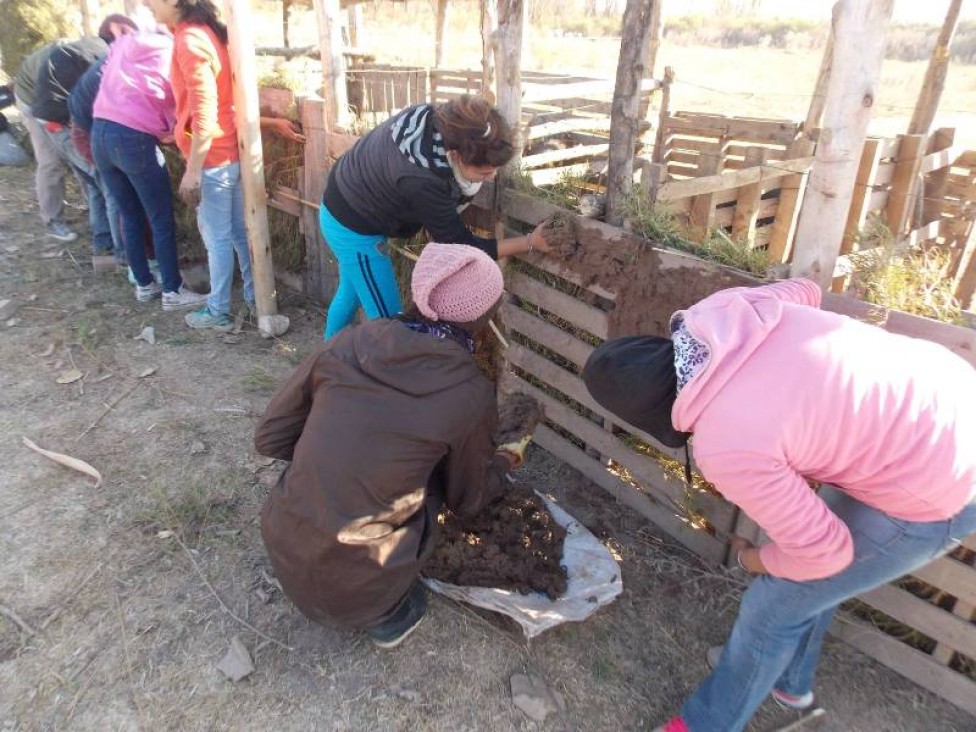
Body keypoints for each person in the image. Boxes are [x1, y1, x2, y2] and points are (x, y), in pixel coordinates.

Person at [581, 279, 976, 732]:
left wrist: (754, 558)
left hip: (941, 478)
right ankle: (788, 682)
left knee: (770, 608)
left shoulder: (726, 444)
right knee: (811, 566)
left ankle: (706, 724)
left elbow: (827, 555)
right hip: (936, 397)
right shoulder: (725, 313)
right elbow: (806, 289)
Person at [255, 243, 526, 649]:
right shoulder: (470, 391)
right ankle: (391, 614)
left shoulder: (349, 341)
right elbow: (467, 499)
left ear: (419, 294)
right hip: (363, 593)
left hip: (283, 546)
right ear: (486, 317)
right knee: (432, 479)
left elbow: (271, 436)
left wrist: (343, 454)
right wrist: (505, 461)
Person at [319, 94, 552, 339]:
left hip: (344, 196)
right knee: (391, 329)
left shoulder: (442, 123)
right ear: (456, 156)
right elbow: (460, 244)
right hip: (353, 225)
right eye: (484, 171)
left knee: (350, 293)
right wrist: (529, 242)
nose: (492, 177)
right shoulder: (422, 180)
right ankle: (358, 372)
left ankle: (324, 364)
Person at [143, 0, 303, 331]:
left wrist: (192, 169)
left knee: (217, 239)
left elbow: (205, 114)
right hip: (227, 152)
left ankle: (218, 311)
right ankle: (251, 296)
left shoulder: (190, 41)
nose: (146, 4)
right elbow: (225, 104)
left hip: (212, 159)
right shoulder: (206, 34)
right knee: (236, 235)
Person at [91, 30, 208, 311]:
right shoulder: (172, 49)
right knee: (160, 217)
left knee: (129, 214)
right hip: (132, 138)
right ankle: (172, 291)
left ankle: (144, 284)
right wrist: (172, 129)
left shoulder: (127, 42)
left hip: (100, 131)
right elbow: (177, 97)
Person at [15, 16, 137, 244]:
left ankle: (101, 230)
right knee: (53, 163)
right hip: (34, 101)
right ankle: (54, 221)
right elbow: (61, 107)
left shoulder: (93, 54)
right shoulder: (95, 56)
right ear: (116, 34)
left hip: (61, 102)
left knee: (89, 167)